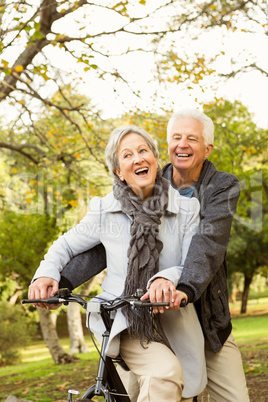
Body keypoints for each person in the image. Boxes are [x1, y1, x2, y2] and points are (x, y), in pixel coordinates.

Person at [30, 110, 250, 401]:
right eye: (176, 137)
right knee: (155, 382)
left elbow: (203, 248)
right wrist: (54, 277)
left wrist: (173, 283)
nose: (182, 144)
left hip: (197, 311)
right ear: (118, 171)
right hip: (129, 317)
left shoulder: (206, 196)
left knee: (193, 387)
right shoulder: (107, 207)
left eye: (143, 151)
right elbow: (91, 247)